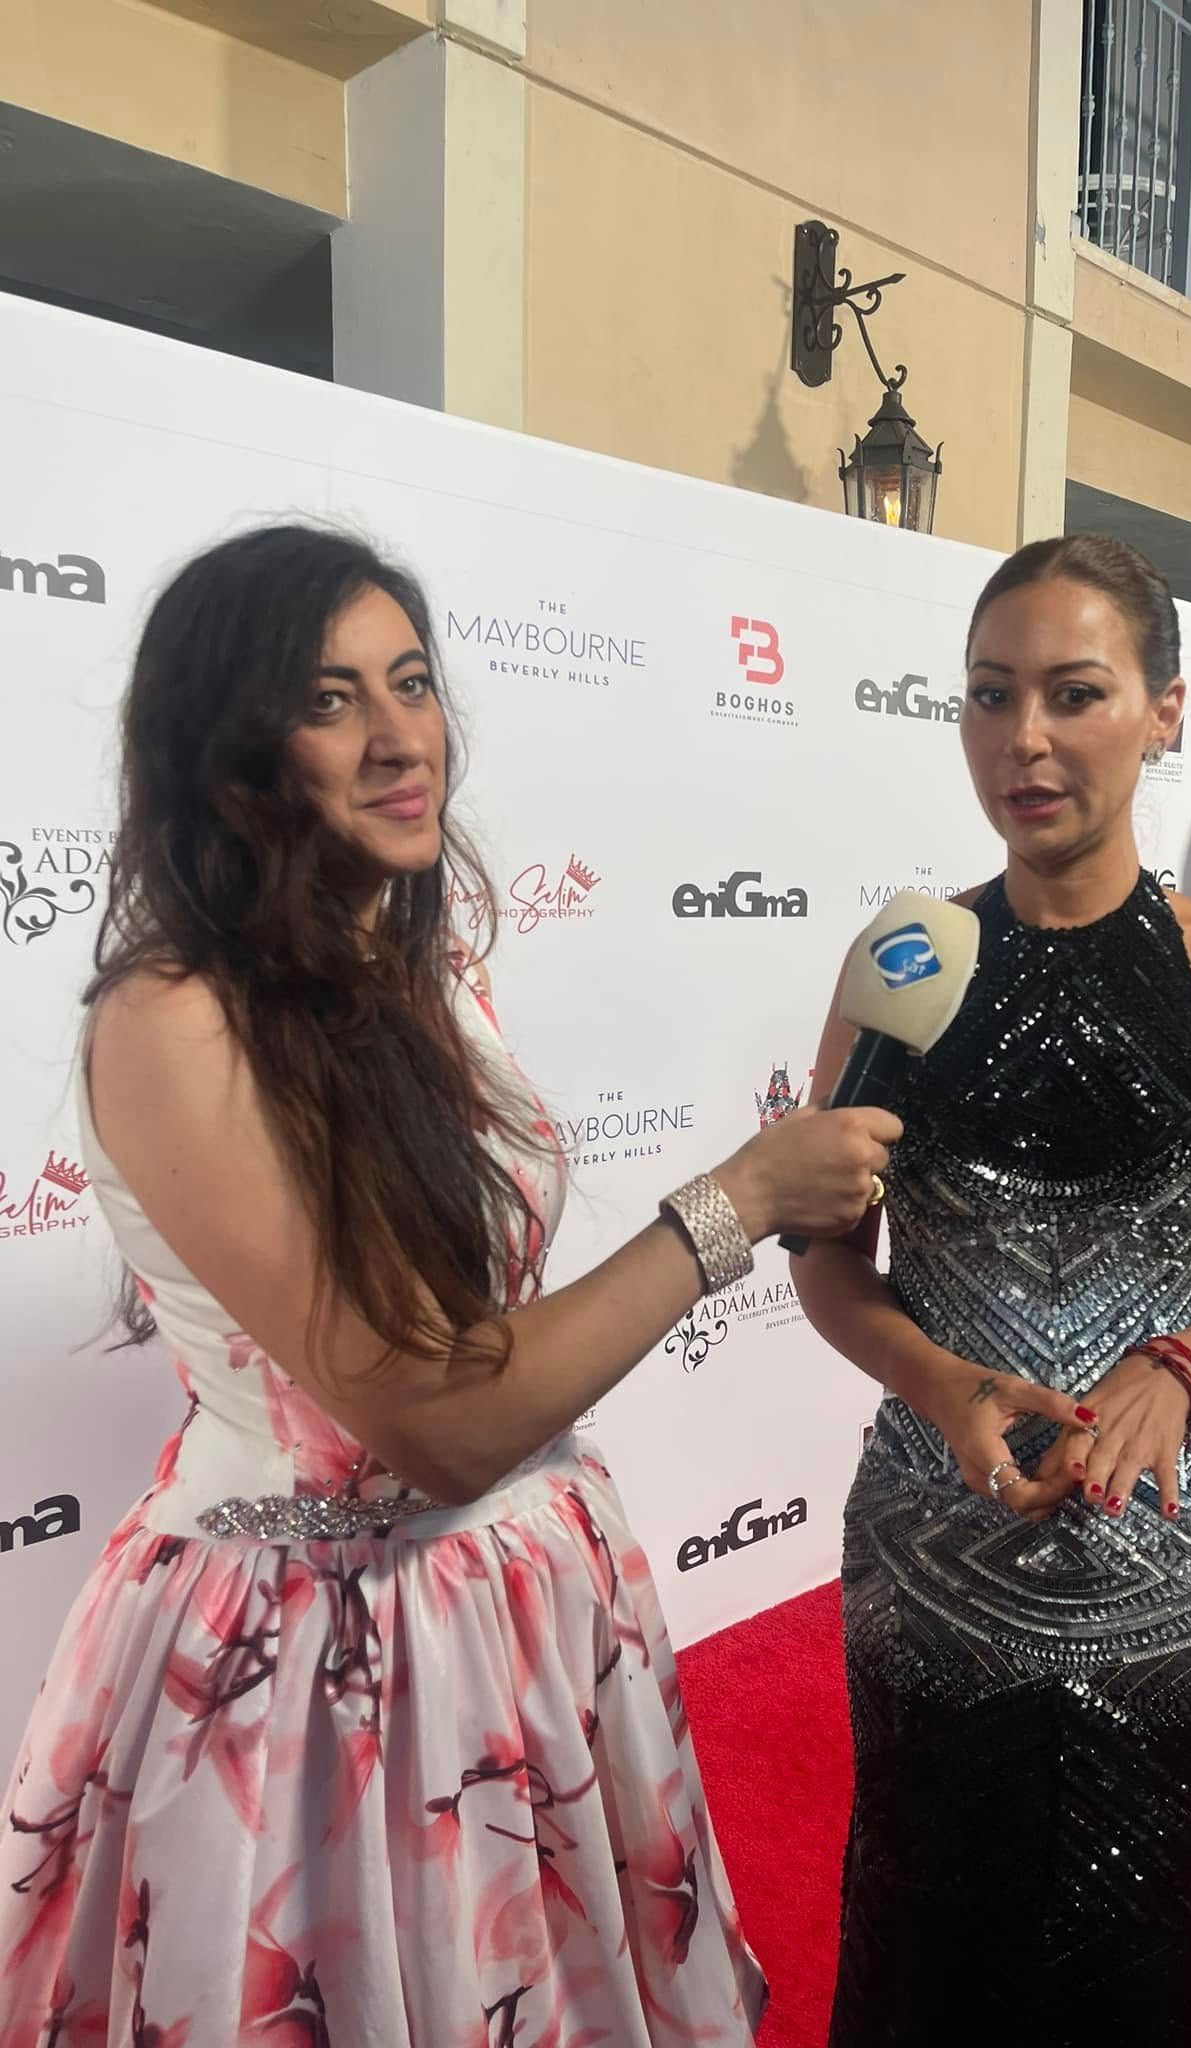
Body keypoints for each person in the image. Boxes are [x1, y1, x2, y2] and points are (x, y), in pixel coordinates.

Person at [0, 525, 897, 2045]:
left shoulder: (422, 966)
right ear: (229, 743)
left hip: (519, 1607)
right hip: (311, 1667)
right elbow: (433, 1416)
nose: (401, 733)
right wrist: (736, 1203)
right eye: (332, 696)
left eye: (410, 682)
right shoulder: (173, 1020)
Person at [794, 535, 1191, 2046]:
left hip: (1184, 1573)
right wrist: (945, 1385)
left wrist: (1182, 1369)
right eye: (991, 698)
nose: (1026, 740)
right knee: (927, 1959)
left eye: (1075, 693)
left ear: (1166, 709)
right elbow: (827, 1269)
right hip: (941, 1561)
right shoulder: (904, 960)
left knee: (1153, 1979)